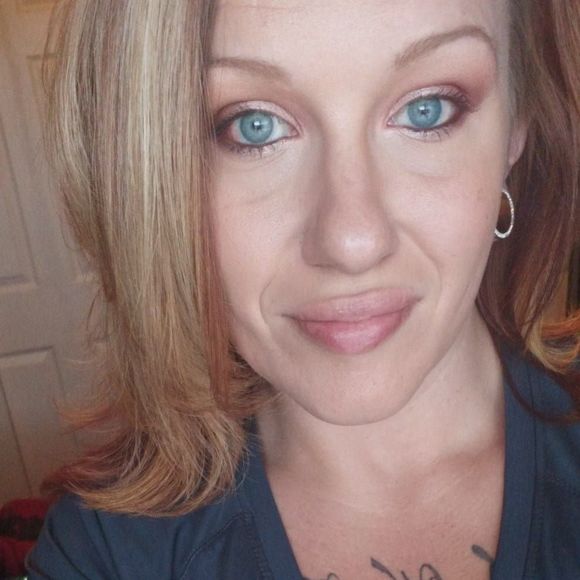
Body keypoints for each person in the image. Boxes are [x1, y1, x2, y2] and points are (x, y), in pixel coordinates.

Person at [26, 0, 579, 578]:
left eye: (427, 110)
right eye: (252, 125)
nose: (352, 242)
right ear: (151, 173)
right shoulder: (103, 554)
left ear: (516, 127)